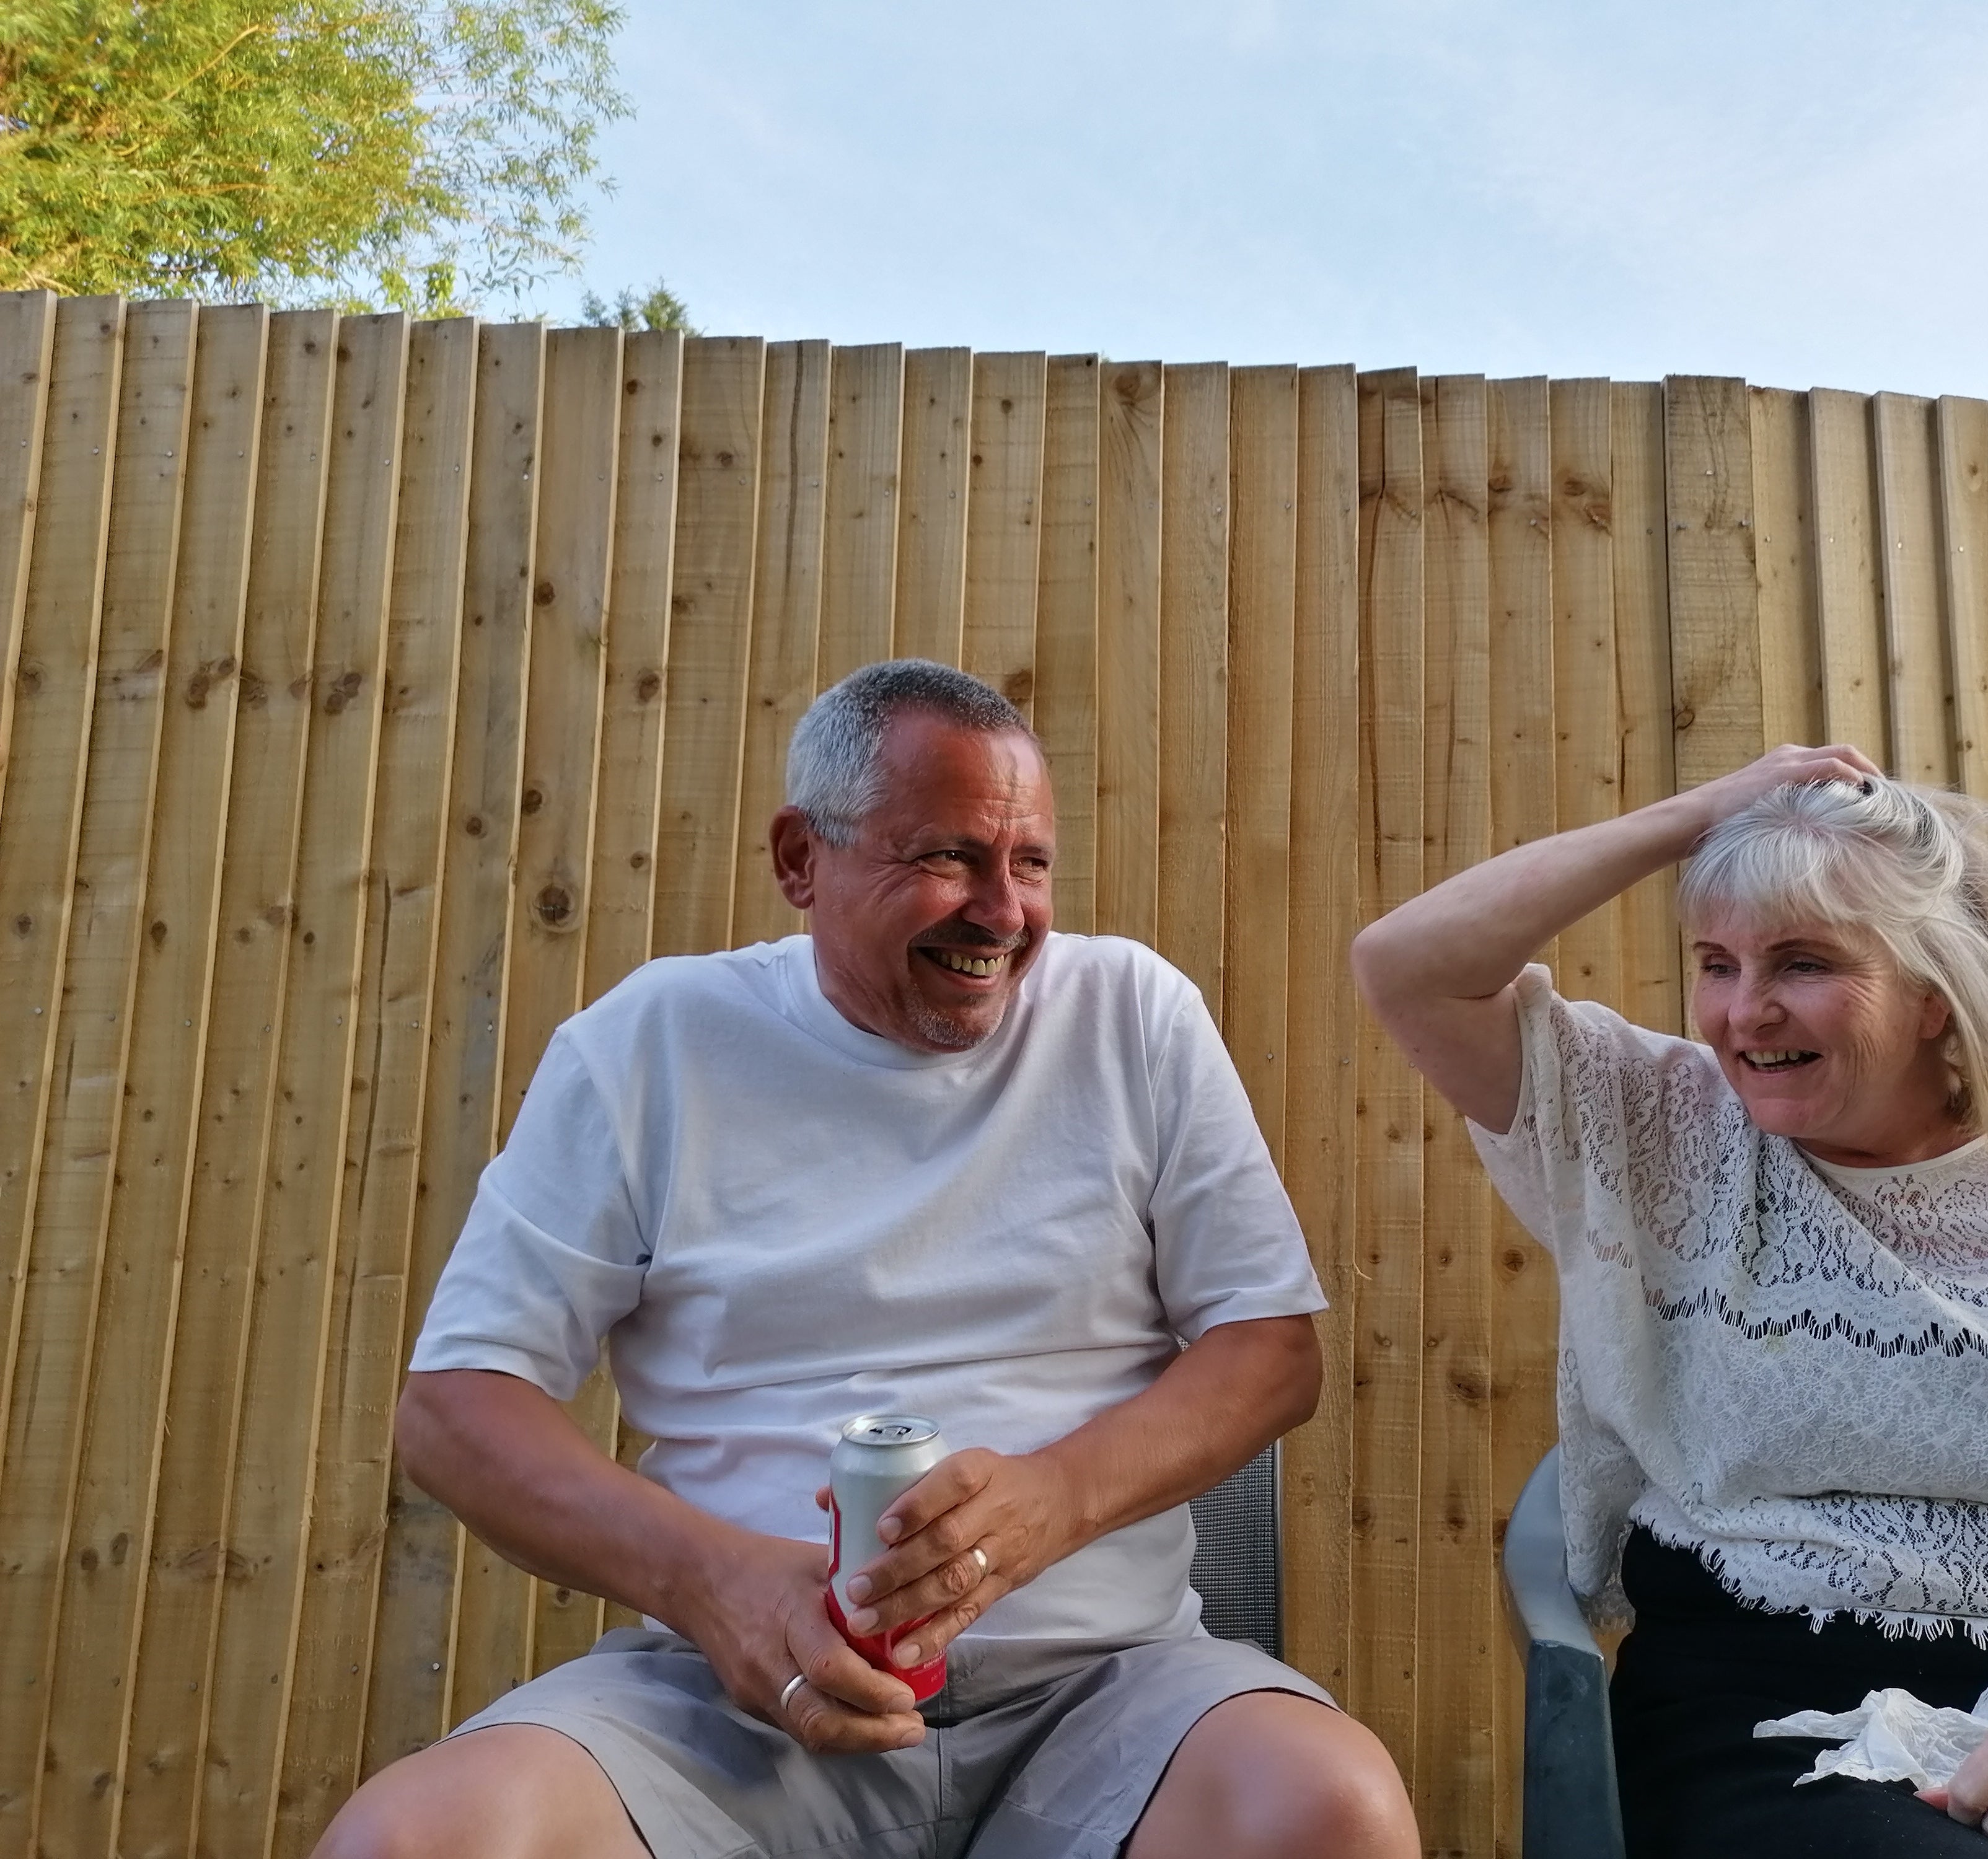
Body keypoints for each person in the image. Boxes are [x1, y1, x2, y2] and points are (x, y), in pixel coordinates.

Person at [316, 659, 1419, 1859]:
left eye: (1031, 862)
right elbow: (455, 1409)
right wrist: (711, 1583)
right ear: (801, 859)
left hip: (1106, 1693)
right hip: (723, 1713)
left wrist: (1054, 1499)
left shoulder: (1133, 1017)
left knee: (1328, 1808)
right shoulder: (653, 1042)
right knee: (413, 1844)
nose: (1003, 913)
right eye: (946, 857)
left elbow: (1269, 1351)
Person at [1352, 743, 1988, 1859]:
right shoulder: (1653, 1127)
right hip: (1758, 1707)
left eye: (1800, 963)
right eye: (1716, 963)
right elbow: (1407, 964)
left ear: (1937, 994)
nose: (1744, 1012)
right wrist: (1702, 812)